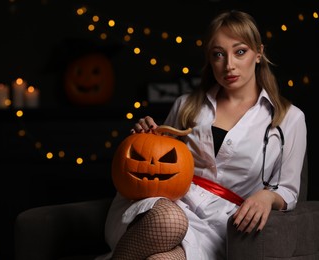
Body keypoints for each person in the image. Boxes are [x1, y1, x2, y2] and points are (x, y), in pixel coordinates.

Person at [96, 9, 307, 260]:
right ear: (210, 59)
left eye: (240, 52)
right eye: (218, 54)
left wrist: (267, 196)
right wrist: (147, 136)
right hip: (165, 207)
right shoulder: (187, 105)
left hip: (217, 225)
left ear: (259, 53)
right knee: (170, 220)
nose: (229, 65)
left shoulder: (289, 117)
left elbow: (289, 190)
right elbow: (160, 157)